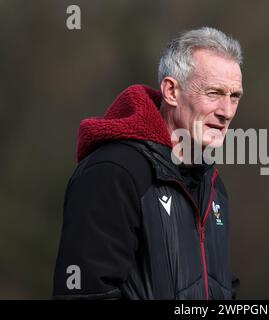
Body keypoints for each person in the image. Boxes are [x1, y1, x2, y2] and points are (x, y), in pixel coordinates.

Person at [52, 27, 243, 300]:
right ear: (171, 91)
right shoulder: (113, 173)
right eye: (214, 93)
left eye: (234, 96)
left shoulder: (214, 188)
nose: (226, 111)